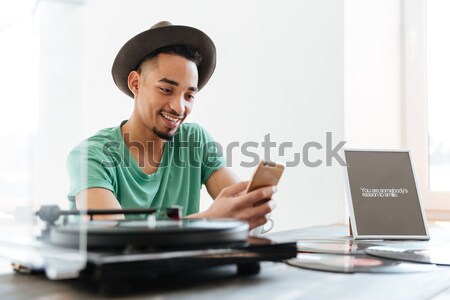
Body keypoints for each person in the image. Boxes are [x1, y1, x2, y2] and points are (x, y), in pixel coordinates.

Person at [67, 21, 276, 230]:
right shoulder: (91, 156)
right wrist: (210, 219)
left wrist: (254, 210)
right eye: (167, 90)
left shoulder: (194, 141)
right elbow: (113, 237)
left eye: (189, 95)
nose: (179, 107)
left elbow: (241, 211)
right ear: (136, 83)